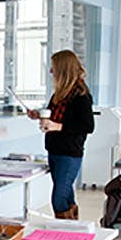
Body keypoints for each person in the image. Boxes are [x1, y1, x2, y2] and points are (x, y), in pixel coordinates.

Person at [28, 49, 94, 218]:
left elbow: (87, 125)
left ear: (63, 69)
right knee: (66, 194)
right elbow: (52, 114)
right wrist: (38, 114)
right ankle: (73, 231)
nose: (51, 71)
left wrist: (57, 127)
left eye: (54, 67)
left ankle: (64, 231)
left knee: (59, 198)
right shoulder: (59, 94)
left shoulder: (81, 95)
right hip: (54, 151)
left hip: (69, 154)